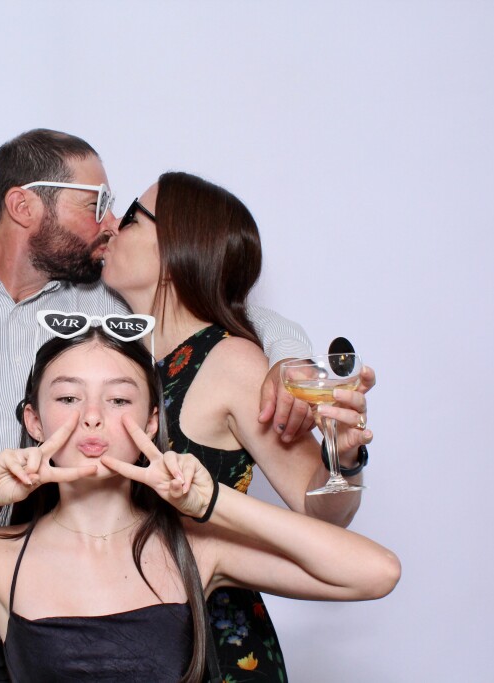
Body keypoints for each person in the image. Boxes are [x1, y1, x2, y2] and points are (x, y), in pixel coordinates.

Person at [0, 130, 317, 682]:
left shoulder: (110, 305)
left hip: (71, 638)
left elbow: (216, 310)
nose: (110, 224)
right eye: (95, 205)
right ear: (23, 206)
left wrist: (290, 357)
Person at [0, 326, 400, 683]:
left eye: (119, 399)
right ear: (33, 421)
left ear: (151, 421)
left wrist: (212, 501)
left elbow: (375, 573)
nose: (92, 417)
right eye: (68, 398)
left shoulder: (196, 549)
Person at [101, 171, 377, 681]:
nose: (114, 225)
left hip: (213, 647)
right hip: (132, 639)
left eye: (134, 217)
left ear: (176, 252)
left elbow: (322, 512)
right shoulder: (128, 357)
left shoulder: (231, 362)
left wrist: (343, 456)